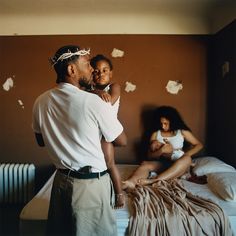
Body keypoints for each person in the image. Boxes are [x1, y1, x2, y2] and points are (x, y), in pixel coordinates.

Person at [32, 45, 127, 236]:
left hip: (60, 183)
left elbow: (41, 141)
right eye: (87, 64)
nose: (92, 69)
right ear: (71, 69)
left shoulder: (40, 101)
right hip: (90, 186)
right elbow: (121, 140)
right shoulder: (93, 102)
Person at [122, 105, 203, 190]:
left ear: (173, 121)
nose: (163, 126)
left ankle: (153, 180)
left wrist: (184, 155)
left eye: (165, 124)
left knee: (187, 159)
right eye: (161, 123)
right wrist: (161, 150)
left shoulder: (181, 132)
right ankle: (131, 182)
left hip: (179, 165)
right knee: (145, 164)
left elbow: (199, 145)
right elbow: (149, 156)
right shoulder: (156, 134)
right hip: (163, 164)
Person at [90, 54, 124, 208]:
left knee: (110, 163)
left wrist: (100, 93)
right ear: (91, 73)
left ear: (111, 73)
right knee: (94, 163)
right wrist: (96, 92)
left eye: (104, 70)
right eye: (96, 71)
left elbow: (109, 101)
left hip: (107, 128)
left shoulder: (114, 86)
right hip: (93, 130)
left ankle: (119, 194)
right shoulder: (88, 89)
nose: (100, 74)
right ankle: (97, 192)